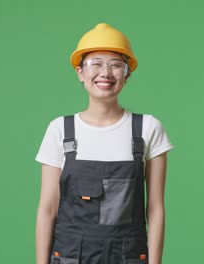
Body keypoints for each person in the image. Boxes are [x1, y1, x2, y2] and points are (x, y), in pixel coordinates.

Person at [35, 23, 174, 264]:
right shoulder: (60, 130)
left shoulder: (148, 128)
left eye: (116, 65)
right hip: (70, 256)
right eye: (96, 63)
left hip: (128, 256)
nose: (106, 73)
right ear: (80, 72)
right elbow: (48, 209)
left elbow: (155, 209)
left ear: (127, 73)